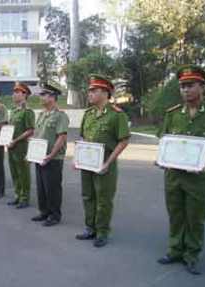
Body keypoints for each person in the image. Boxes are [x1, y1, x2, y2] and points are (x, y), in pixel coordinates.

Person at [156, 65, 205, 275]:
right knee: (175, 214)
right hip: (173, 176)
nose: (185, 90)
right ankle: (174, 249)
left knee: (195, 217)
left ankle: (191, 254)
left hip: (199, 178)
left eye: (190, 85)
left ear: (202, 87)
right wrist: (162, 158)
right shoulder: (173, 114)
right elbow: (165, 140)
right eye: (182, 86)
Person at [76, 74, 131, 248]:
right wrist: (79, 158)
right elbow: (84, 138)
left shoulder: (116, 115)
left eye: (94, 90)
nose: (89, 93)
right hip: (87, 163)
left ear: (105, 93)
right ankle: (90, 227)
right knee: (87, 196)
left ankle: (102, 232)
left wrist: (108, 163)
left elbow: (123, 141)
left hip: (105, 163)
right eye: (89, 90)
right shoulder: (89, 114)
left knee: (103, 199)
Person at [31, 82, 69, 227]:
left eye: (44, 95)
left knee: (52, 187)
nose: (41, 98)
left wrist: (51, 155)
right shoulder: (41, 115)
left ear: (53, 97)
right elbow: (38, 135)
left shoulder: (60, 115)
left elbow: (61, 138)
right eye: (41, 95)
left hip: (53, 158)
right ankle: (44, 212)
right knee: (41, 186)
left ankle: (54, 215)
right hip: (39, 156)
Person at [7, 82, 35, 209]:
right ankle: (18, 195)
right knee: (14, 172)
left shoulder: (27, 112)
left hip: (22, 147)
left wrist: (15, 140)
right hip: (11, 146)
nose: (14, 95)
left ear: (25, 95)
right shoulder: (13, 111)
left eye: (17, 92)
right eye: (14, 92)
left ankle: (25, 197)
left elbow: (30, 130)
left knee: (23, 173)